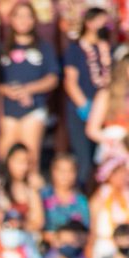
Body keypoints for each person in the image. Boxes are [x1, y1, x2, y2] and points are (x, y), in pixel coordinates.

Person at [0, 0, 60, 168]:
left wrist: (28, 89)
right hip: (9, 109)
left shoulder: (44, 47)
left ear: (34, 20)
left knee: (30, 158)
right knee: (5, 154)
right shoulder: (2, 48)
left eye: (28, 16)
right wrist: (8, 90)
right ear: (11, 19)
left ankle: (30, 191)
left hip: (33, 108)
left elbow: (53, 77)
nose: (23, 20)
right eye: (18, 16)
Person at [63, 5, 114, 186]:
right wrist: (87, 107)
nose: (105, 25)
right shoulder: (75, 49)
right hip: (81, 111)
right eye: (101, 21)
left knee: (102, 161)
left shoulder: (109, 49)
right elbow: (70, 82)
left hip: (105, 112)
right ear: (89, 23)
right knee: (83, 160)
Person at [88, 150, 129, 258]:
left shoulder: (127, 195)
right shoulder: (100, 196)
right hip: (105, 245)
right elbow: (93, 225)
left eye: (124, 173)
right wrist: (90, 246)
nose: (123, 177)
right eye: (118, 173)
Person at [0, 141, 45, 233]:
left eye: (27, 162)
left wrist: (20, 225)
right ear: (8, 160)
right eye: (20, 162)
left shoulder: (31, 189)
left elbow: (38, 222)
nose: (24, 167)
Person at [40, 151, 91, 230]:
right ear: (53, 171)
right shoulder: (42, 196)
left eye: (70, 171)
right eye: (62, 171)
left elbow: (87, 228)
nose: (66, 175)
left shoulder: (82, 200)